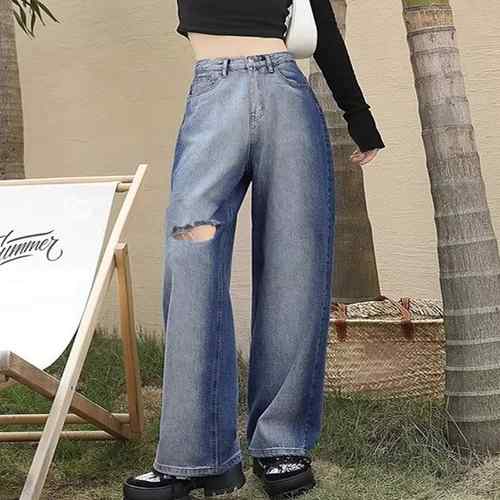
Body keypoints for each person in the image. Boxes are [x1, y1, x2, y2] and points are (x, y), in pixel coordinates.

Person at [123, 0, 385, 499]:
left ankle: (281, 444)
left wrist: (359, 115)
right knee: (191, 257)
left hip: (285, 93)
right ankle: (195, 457)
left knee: (294, 264)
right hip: (211, 96)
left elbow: (322, 21)